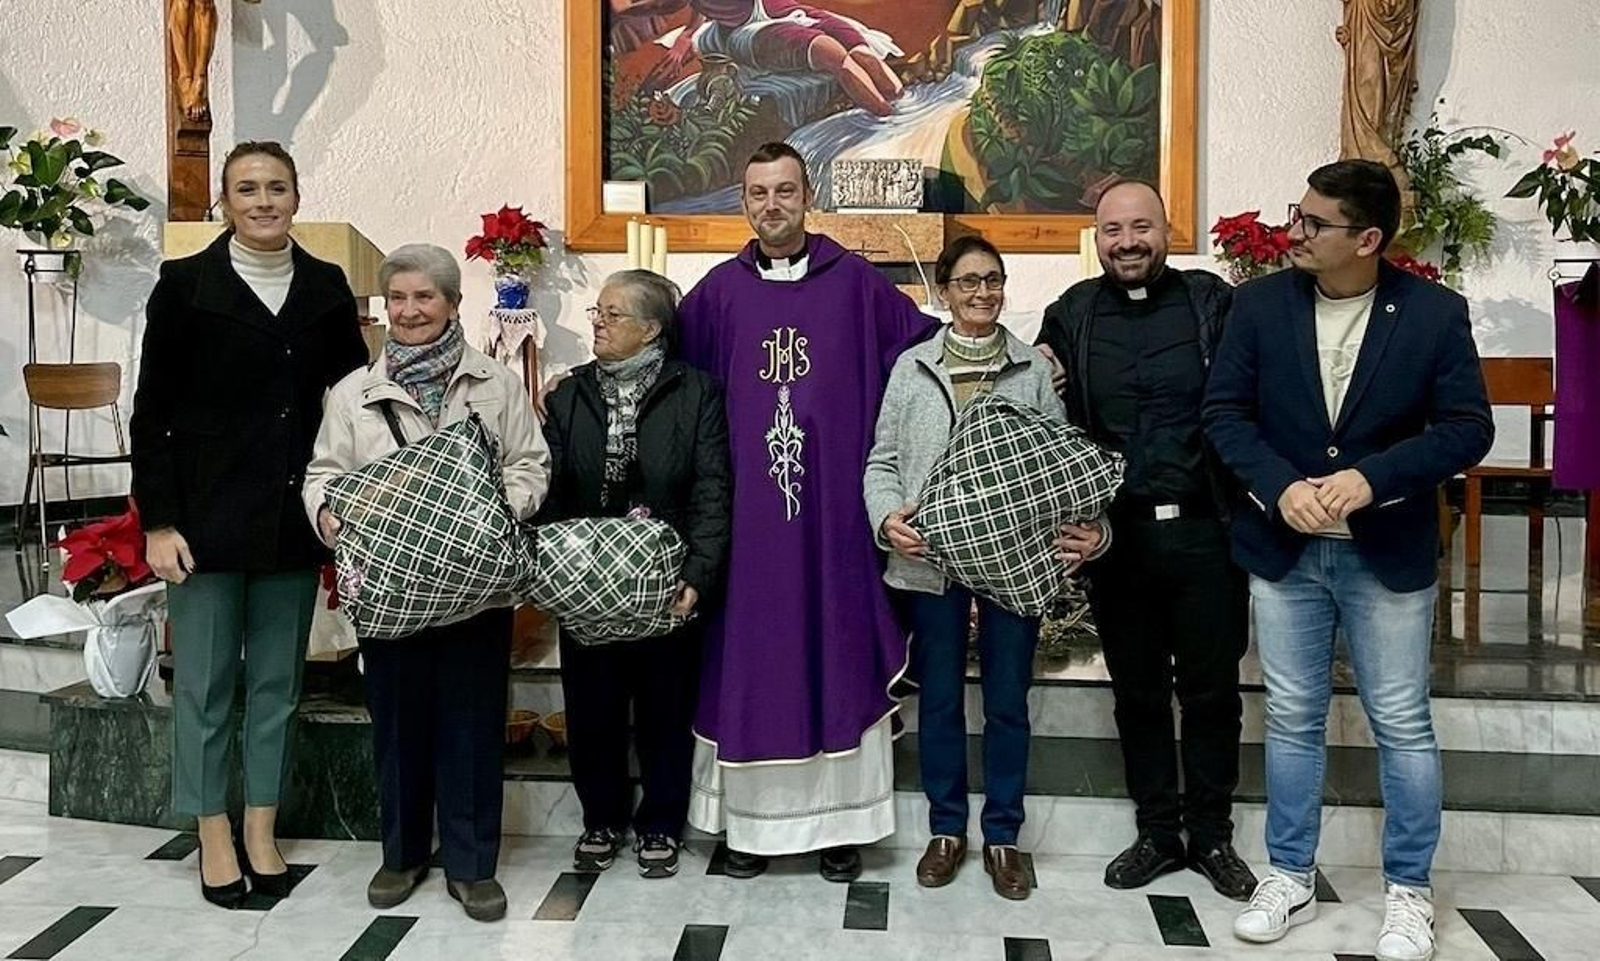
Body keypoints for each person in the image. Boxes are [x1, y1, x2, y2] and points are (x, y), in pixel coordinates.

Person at [1203, 160, 1492, 961]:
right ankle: (1289, 872)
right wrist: (1276, 487)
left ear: (1367, 238)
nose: (1296, 233)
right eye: (1298, 217)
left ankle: (1407, 890)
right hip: (1287, 552)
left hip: (1385, 552)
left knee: (1401, 722)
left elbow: (1467, 428)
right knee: (1292, 717)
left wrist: (1373, 478)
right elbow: (1223, 412)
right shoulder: (1260, 306)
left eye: (1315, 224)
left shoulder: (1432, 314)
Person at [678, 142, 933, 881]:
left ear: (807, 194)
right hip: (749, 529)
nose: (771, 205)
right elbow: (675, 387)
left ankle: (840, 825)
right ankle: (745, 827)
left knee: (837, 653)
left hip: (833, 524)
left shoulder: (854, 283)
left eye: (785, 190)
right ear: (743, 202)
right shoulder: (717, 295)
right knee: (750, 665)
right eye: (758, 192)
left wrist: (1014, 352)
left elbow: (925, 352)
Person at [130, 141, 368, 909]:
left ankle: (260, 828)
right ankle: (213, 832)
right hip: (202, 520)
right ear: (225, 203)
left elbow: (351, 402)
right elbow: (151, 415)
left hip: (291, 518)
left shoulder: (328, 286)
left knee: (277, 685)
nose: (263, 201)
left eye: (276, 187)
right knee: (203, 687)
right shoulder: (184, 284)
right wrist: (158, 521)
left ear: (297, 196)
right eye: (247, 189)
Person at [302, 244, 550, 923]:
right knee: (399, 723)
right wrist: (329, 515)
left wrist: (501, 511)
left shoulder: (495, 383)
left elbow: (530, 463)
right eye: (399, 299)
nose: (410, 311)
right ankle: (403, 852)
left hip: (476, 584)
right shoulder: (353, 393)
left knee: (471, 723)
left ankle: (471, 864)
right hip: (389, 590)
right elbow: (325, 473)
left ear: (452, 304)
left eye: (425, 297)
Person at [1035, 180, 1257, 901]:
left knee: (1212, 691)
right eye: (1112, 231)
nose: (1127, 242)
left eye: (1141, 228)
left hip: (1203, 530)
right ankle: (1159, 831)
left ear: (1166, 229)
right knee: (1135, 691)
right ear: (1095, 238)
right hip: (1116, 539)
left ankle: (1213, 834)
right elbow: (1043, 404)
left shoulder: (1210, 301)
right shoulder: (1072, 313)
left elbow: (1249, 393)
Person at [864, 236, 1065, 900]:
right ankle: (946, 829)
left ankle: (1003, 834)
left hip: (1012, 562)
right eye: (969, 281)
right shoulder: (912, 366)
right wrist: (888, 516)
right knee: (942, 701)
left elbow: (1055, 462)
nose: (984, 292)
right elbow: (882, 460)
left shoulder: (1029, 368)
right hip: (931, 564)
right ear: (944, 290)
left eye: (994, 279)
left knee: (1008, 703)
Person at [538, 269, 731, 880]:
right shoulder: (569, 395)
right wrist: (550, 568)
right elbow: (551, 489)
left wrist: (700, 571)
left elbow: (712, 488)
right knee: (591, 705)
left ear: (651, 328)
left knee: (664, 709)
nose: (597, 321)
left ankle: (660, 823)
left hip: (667, 579)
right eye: (598, 311)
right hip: (588, 580)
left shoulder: (696, 392)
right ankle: (601, 818)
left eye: (613, 314)